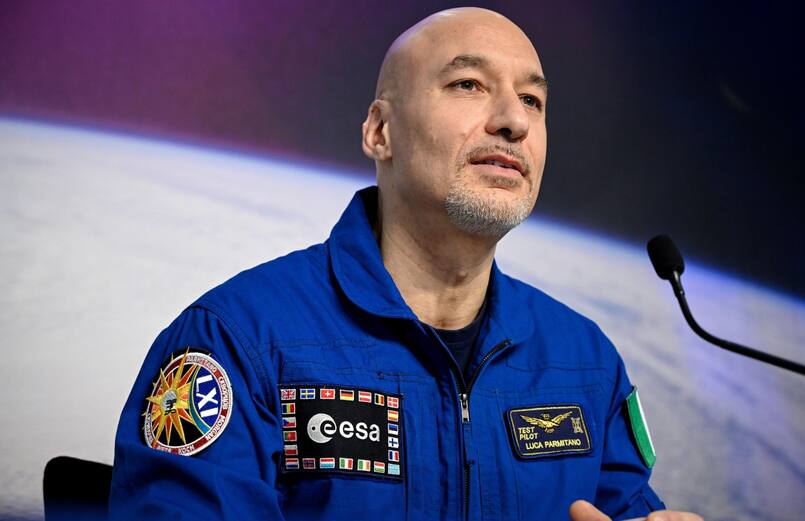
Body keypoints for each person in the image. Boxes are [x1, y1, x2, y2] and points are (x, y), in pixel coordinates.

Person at [109, 7, 702, 521]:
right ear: (380, 131)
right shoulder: (237, 341)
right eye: (469, 84)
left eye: (532, 99)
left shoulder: (585, 361)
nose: (514, 121)